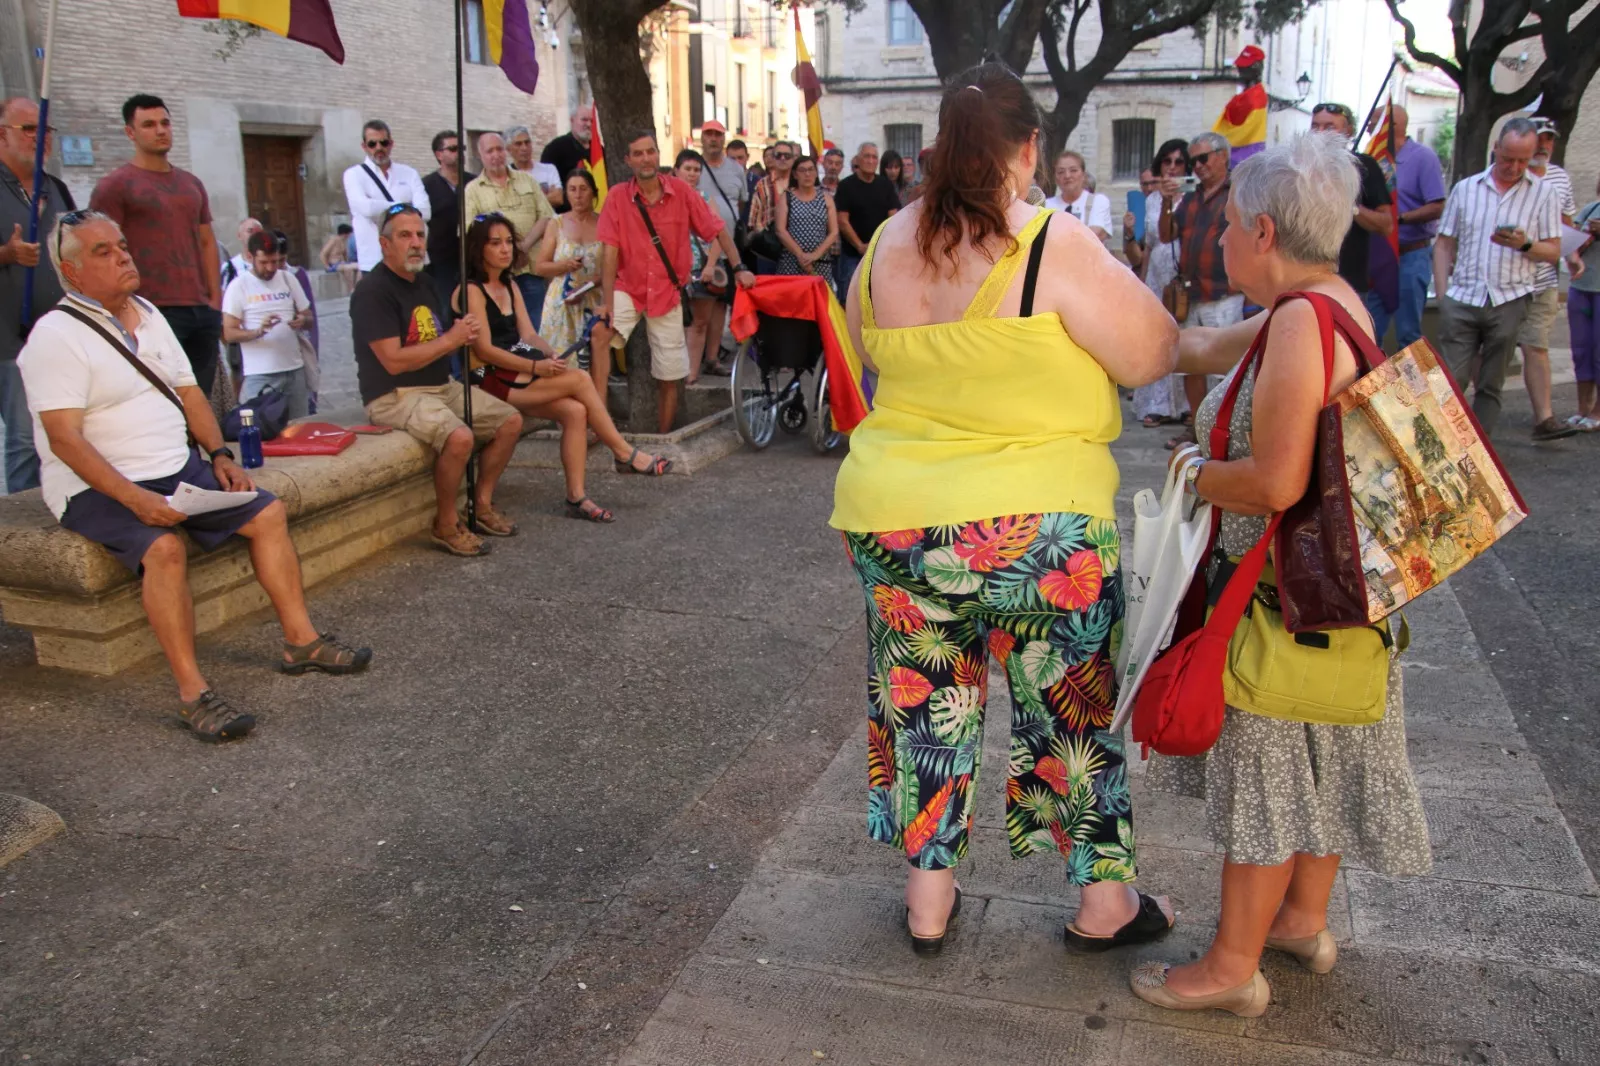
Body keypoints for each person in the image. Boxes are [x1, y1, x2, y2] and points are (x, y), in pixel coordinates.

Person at [834, 63, 1179, 959]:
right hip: (1040, 528)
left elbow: (865, 346)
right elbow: (1151, 353)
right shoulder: (1052, 243)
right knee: (1069, 711)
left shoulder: (883, 245)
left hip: (900, 522)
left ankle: (928, 900)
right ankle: (1104, 903)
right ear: (1028, 149)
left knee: (924, 706)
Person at [1136, 132, 1430, 1018]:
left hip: (1281, 599)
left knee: (1270, 780)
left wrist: (1191, 470)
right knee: (1325, 760)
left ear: (1263, 233)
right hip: (1343, 604)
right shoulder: (1333, 302)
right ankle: (1302, 922)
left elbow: (1274, 481)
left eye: (1226, 224)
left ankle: (1231, 968)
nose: (1218, 238)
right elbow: (1196, 347)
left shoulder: (1301, 323)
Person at [21, 212, 371, 741]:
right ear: (71, 273)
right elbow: (67, 441)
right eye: (103, 252)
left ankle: (301, 642)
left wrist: (219, 456)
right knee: (163, 548)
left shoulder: (148, 314)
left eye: (122, 245)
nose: (123, 256)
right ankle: (192, 693)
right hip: (96, 484)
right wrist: (136, 500)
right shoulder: (55, 336)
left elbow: (189, 392)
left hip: (174, 466)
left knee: (267, 510)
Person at [457, 214, 671, 522]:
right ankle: (624, 454)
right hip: (485, 377)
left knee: (575, 412)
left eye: (507, 242)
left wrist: (552, 355)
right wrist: (537, 366)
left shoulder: (510, 284)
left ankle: (577, 497)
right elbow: (485, 350)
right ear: (479, 249)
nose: (505, 249)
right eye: (495, 243)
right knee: (581, 378)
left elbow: (529, 335)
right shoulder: (472, 290)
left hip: (516, 369)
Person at [351, 204, 521, 557]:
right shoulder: (372, 291)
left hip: (440, 385)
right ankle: (445, 525)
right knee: (460, 438)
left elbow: (439, 338)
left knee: (510, 420)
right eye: (404, 235)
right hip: (394, 394)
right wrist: (451, 340)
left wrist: (464, 334)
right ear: (384, 244)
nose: (416, 243)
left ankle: (481, 505)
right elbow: (393, 361)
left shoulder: (426, 282)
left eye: (420, 235)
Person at [597, 130, 755, 434]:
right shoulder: (618, 196)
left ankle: (664, 437)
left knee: (671, 374)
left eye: (650, 152)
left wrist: (738, 267)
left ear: (658, 154)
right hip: (627, 287)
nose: (646, 158)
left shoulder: (682, 192)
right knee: (598, 335)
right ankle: (599, 421)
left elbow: (717, 230)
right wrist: (605, 302)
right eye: (638, 153)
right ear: (628, 160)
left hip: (667, 293)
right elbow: (609, 251)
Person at [1433, 118, 1562, 440]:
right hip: (1463, 297)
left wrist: (1526, 244)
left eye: (1523, 159)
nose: (1514, 166)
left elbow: (1553, 251)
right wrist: (1443, 295)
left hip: (1510, 298)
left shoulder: (1544, 194)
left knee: (1491, 384)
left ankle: (1480, 451)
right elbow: (1444, 243)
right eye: (1508, 158)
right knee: (1451, 379)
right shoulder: (1466, 189)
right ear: (1496, 149)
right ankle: (1444, 444)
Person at [90, 94, 225, 396]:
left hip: (200, 308)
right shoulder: (115, 186)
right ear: (131, 132)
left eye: (165, 122)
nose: (160, 130)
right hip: (150, 309)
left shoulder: (192, 183)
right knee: (159, 398)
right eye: (149, 124)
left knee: (198, 398)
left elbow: (206, 242)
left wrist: (215, 302)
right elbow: (101, 251)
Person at [0, 96, 75, 493]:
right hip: (9, 340)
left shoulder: (56, 188)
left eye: (46, 129)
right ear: (1, 134)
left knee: (67, 433)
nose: (40, 137)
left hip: (60, 335)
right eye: (30, 128)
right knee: (26, 441)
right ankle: (25, 536)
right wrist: (7, 254)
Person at [1161, 131, 1241, 450]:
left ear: (1222, 156)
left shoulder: (1239, 192)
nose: (1198, 166)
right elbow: (1167, 236)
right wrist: (1168, 201)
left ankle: (1225, 430)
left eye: (1203, 158)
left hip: (1224, 291)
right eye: (1194, 160)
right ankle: (1197, 426)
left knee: (1227, 367)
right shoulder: (1191, 198)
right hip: (1191, 292)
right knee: (1191, 362)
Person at [1363, 105, 1446, 350]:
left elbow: (1437, 205)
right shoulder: (1371, 160)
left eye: (1375, 121)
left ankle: (1417, 389)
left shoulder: (1423, 157)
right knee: (1368, 331)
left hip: (1411, 254)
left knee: (1409, 335)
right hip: (1379, 258)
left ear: (1392, 126)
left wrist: (1398, 220)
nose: (1368, 125)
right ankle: (1375, 387)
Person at [1518, 117, 1580, 441]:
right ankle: (1476, 417)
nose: (1544, 145)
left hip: (1543, 277)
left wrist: (1572, 255)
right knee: (1491, 350)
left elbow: (1565, 225)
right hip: (1507, 279)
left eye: (1549, 140)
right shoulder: (1512, 173)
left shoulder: (1560, 178)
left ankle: (1545, 417)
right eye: (1539, 138)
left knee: (1536, 344)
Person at [1128, 139, 1191, 429]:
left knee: (1187, 336)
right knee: (1158, 337)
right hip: (1156, 274)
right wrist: (1140, 283)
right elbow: (1149, 245)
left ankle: (1188, 406)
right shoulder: (1151, 200)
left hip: (1185, 276)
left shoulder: (1193, 198)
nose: (1173, 168)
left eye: (1179, 162)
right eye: (1167, 162)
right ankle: (1158, 404)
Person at [464, 131, 555, 331]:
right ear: (480, 155)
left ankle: (535, 362)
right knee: (505, 329)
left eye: (499, 149)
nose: (496, 155)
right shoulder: (472, 190)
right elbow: (470, 230)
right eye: (490, 151)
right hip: (495, 276)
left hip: (529, 268)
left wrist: (522, 246)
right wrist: (505, 248)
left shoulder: (527, 180)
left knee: (534, 326)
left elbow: (546, 216)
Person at [536, 169, 614, 394]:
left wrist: (593, 282)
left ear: (593, 193)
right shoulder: (556, 223)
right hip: (562, 301)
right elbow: (540, 266)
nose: (578, 195)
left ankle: (598, 412)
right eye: (572, 189)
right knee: (561, 358)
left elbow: (614, 267)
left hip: (593, 298)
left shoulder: (605, 223)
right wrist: (564, 265)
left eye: (583, 189)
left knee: (593, 360)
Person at [1306, 103, 1396, 298]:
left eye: (1330, 127)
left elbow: (1386, 225)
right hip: (1301, 279)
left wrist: (1350, 205)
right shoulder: (1296, 166)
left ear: (1348, 132)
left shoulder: (1364, 167)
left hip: (1347, 283)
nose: (1320, 133)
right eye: (1315, 126)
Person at [222, 228, 313, 419]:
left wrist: (302, 320)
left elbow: (309, 317)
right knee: (260, 429)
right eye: (264, 262)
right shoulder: (239, 286)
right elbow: (229, 333)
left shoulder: (288, 279)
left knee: (301, 425)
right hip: (260, 373)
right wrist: (258, 332)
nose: (271, 268)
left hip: (293, 369)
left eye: (275, 261)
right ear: (250, 257)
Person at [341, 120, 430, 274]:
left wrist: (380, 206)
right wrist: (406, 206)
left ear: (391, 144)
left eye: (383, 142)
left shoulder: (409, 173)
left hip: (411, 258)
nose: (379, 148)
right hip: (374, 259)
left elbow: (425, 211)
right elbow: (366, 208)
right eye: (372, 144)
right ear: (364, 146)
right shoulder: (354, 175)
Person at [695, 122, 747, 377]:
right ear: (702, 138)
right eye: (709, 134)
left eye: (718, 135)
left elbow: (739, 204)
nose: (713, 139)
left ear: (724, 138)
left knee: (719, 305)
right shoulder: (693, 165)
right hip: (696, 249)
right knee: (696, 306)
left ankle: (712, 358)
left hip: (727, 248)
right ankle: (694, 359)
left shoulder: (736, 169)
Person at [674, 150, 731, 384]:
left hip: (701, 269)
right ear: (676, 170)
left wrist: (709, 265)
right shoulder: (664, 199)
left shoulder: (706, 199)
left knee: (698, 323)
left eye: (696, 170)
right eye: (688, 168)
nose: (692, 174)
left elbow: (719, 234)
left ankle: (691, 374)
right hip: (673, 271)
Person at [834, 141, 900, 301]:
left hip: (880, 254)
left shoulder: (885, 185)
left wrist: (878, 244)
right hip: (852, 255)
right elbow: (842, 220)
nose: (870, 161)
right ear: (857, 159)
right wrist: (860, 246)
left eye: (874, 157)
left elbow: (894, 217)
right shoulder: (846, 186)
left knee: (879, 300)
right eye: (866, 156)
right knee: (850, 299)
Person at [422, 129, 475, 301]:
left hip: (472, 258)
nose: (459, 153)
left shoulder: (474, 182)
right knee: (445, 310)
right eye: (453, 149)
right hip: (442, 261)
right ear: (439, 154)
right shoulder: (426, 185)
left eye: (462, 148)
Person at [1567, 175, 1600, 432]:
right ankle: (1582, 408)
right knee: (1581, 351)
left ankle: (1598, 411)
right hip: (1580, 287)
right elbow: (1570, 243)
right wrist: (1583, 235)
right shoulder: (1590, 209)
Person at [776, 154, 838, 280]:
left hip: (820, 264)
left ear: (816, 173)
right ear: (795, 174)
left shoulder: (826, 198)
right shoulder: (786, 198)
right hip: (792, 264)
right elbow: (780, 230)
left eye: (811, 169)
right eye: (802, 170)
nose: (807, 174)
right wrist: (801, 255)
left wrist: (815, 255)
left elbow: (834, 232)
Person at [1044, 150, 1112, 241]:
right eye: (1061, 172)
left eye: (1073, 170)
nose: (1067, 176)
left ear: (1083, 175)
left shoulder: (1098, 201)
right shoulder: (1046, 206)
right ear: (1055, 178)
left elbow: (1093, 235)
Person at [506, 124, 563, 210]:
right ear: (509, 149)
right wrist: (546, 197)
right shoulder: (505, 174)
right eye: (518, 144)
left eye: (527, 142)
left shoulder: (549, 169)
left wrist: (526, 201)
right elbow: (510, 206)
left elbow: (558, 199)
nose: (524, 148)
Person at [541, 108, 595, 191]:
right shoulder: (555, 148)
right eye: (584, 120)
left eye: (591, 121)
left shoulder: (599, 150)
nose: (589, 124)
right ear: (572, 120)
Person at [319, 223, 360, 293]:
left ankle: (358, 287)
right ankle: (352, 289)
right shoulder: (333, 240)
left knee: (360, 266)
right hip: (333, 264)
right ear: (345, 234)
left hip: (342, 263)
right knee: (348, 269)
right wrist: (326, 266)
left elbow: (345, 254)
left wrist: (348, 262)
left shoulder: (344, 241)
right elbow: (322, 254)